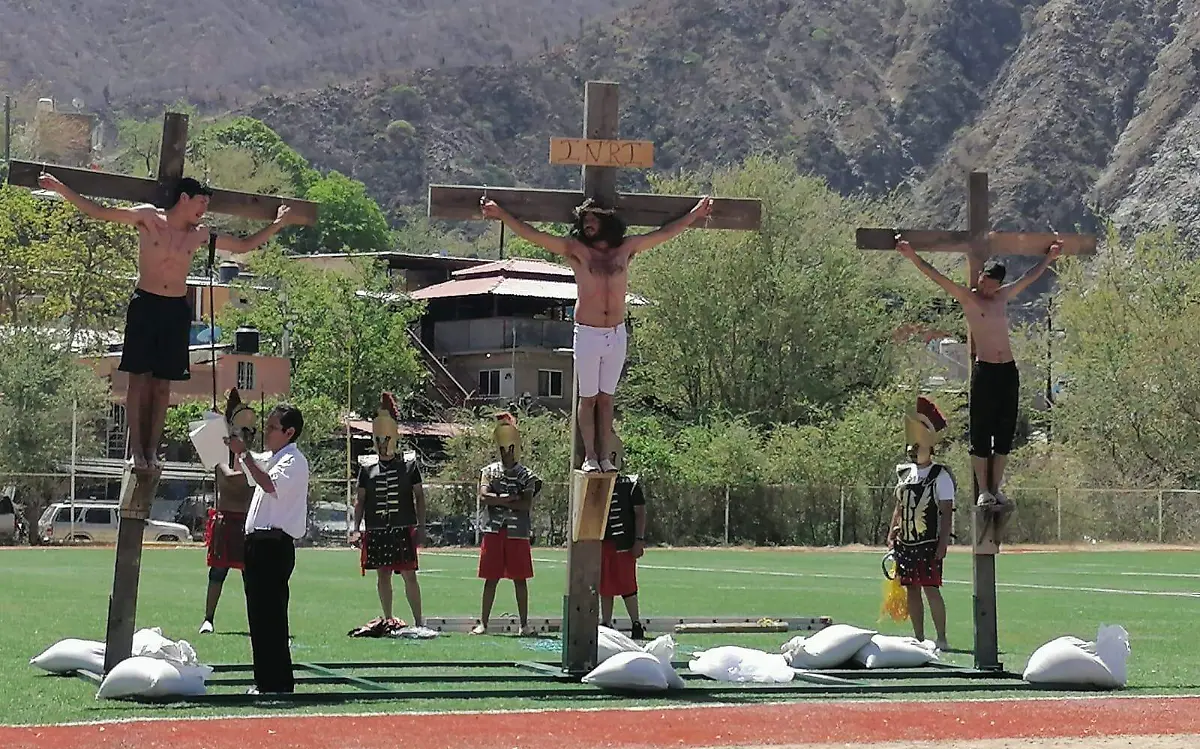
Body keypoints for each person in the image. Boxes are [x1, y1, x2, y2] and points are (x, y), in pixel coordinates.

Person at [37, 172, 299, 474]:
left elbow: (242, 246)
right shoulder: (148, 218)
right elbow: (99, 211)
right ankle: (136, 450)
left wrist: (278, 224)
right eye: (200, 201)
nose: (204, 208)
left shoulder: (200, 234)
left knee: (163, 385)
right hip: (146, 303)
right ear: (183, 198)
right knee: (138, 380)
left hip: (176, 308)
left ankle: (151, 450)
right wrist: (60, 188)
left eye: (207, 203)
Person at [481, 195, 714, 472]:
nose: (588, 223)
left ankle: (605, 456)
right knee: (588, 398)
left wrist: (695, 214)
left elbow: (664, 233)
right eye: (585, 219)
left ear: (607, 221)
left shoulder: (625, 250)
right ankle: (590, 456)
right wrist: (502, 215)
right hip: (588, 333)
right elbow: (536, 236)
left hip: (616, 333)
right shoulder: (577, 251)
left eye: (594, 218)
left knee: (607, 398)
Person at [896, 236, 1062, 506]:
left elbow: (1029, 277)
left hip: (1007, 370)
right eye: (985, 282)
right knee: (981, 430)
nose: (987, 288)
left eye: (993, 285)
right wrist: (911, 255)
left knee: (1004, 431)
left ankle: (996, 488)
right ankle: (983, 489)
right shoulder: (969, 298)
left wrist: (1049, 258)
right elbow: (936, 275)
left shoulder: (1002, 297)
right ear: (981, 276)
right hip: (984, 369)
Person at [228, 403, 309, 695]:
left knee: (271, 616)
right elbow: (243, 468)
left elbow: (266, 482)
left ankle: (278, 683)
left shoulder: (293, 461)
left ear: (289, 432)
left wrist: (243, 453)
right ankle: (265, 681)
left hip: (274, 546)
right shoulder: (273, 457)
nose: (268, 432)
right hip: (257, 544)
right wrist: (231, 442)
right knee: (258, 617)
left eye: (273, 427)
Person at [349, 392, 426, 634]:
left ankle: (419, 620)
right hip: (377, 528)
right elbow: (360, 501)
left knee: (408, 574)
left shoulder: (409, 464)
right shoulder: (367, 467)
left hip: (402, 527)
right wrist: (355, 527)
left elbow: (419, 497)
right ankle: (388, 617)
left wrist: (422, 527)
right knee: (382, 575)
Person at [886, 396, 955, 651]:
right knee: (911, 590)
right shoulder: (904, 474)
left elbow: (947, 512)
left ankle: (942, 638)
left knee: (931, 589)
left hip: (928, 542)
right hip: (906, 542)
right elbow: (899, 506)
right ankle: (918, 637)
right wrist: (892, 533)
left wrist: (943, 544)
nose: (913, 451)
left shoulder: (941, 476)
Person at [472, 413, 541, 636]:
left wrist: (500, 499)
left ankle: (524, 625)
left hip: (517, 532)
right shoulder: (488, 471)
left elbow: (526, 504)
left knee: (520, 579)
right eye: (502, 448)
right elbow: (484, 496)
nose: (506, 452)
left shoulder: (528, 475)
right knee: (490, 578)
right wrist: (507, 499)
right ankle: (483, 623)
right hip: (493, 529)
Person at [200, 388, 257, 634]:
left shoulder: (254, 458)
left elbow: (254, 482)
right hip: (227, 520)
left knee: (250, 578)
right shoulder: (221, 458)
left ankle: (255, 620)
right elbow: (232, 481)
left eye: (248, 432)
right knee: (218, 572)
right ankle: (208, 618)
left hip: (248, 522)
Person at [599, 432, 647, 639]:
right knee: (605, 584)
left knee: (628, 584)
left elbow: (640, 513)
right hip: (604, 543)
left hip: (625, 543)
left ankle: (636, 622)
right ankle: (606, 623)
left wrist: (639, 540)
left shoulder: (630, 483)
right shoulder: (597, 483)